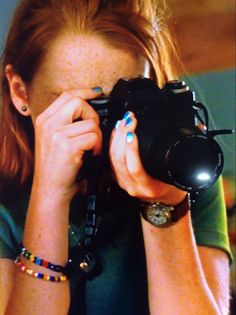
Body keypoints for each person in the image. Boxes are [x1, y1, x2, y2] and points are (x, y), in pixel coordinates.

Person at [0, 1, 232, 314]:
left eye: (126, 103)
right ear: (20, 91)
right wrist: (49, 197)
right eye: (85, 107)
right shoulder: (6, 192)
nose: (108, 129)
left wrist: (164, 204)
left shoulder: (180, 160)